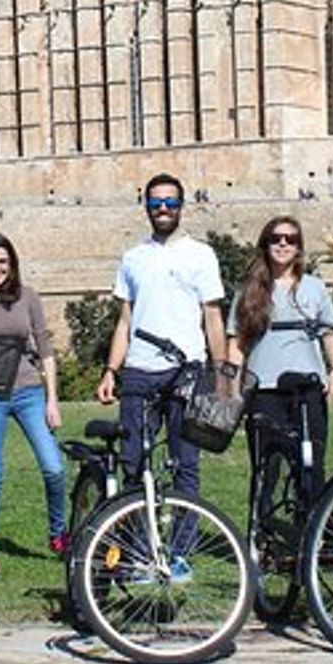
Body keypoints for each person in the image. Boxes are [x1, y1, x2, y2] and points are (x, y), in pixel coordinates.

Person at [97, 172, 227, 577]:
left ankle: (179, 553)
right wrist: (111, 370)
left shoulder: (201, 255)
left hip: (187, 370)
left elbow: (213, 317)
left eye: (170, 202)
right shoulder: (133, 258)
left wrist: (222, 375)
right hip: (139, 371)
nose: (164, 209)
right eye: (156, 204)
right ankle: (139, 552)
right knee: (134, 464)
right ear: (147, 208)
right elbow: (125, 321)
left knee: (186, 465)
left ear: (182, 206)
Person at [0, 234, 67, 578]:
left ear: (12, 264)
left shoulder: (27, 297)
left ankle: (58, 532)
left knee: (54, 467)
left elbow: (45, 348)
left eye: (2, 262)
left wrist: (52, 399)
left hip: (29, 391)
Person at [227, 216, 333, 530]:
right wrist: (231, 388)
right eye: (276, 238)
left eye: (290, 239)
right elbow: (237, 344)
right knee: (266, 469)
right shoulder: (249, 291)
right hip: (263, 391)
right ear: (265, 245)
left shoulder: (315, 288)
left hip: (307, 390)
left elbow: (329, 334)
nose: (282, 244)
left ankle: (316, 535)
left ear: (299, 247)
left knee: (312, 465)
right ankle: (261, 534)